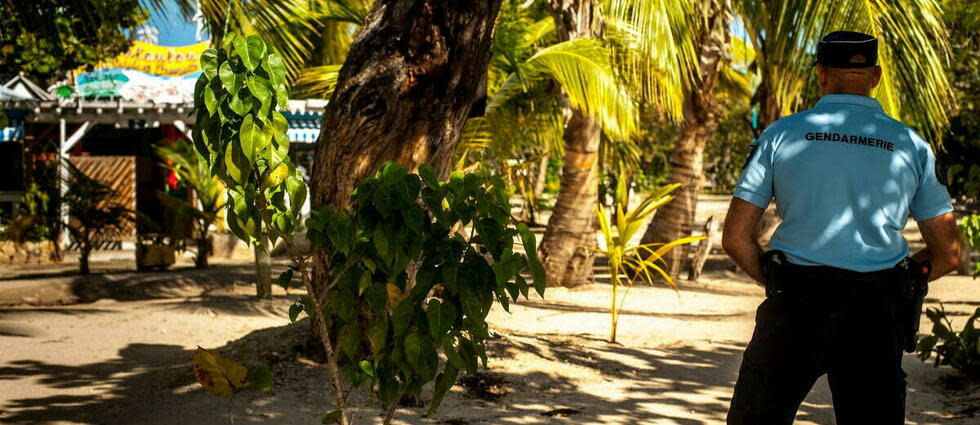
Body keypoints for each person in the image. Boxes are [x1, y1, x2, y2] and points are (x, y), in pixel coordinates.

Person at [722, 31, 962, 424]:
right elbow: (949, 252)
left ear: (821, 75)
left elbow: (734, 237)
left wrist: (774, 280)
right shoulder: (911, 144)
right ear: (876, 75)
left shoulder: (781, 135)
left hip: (795, 303)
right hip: (875, 312)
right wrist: (906, 281)